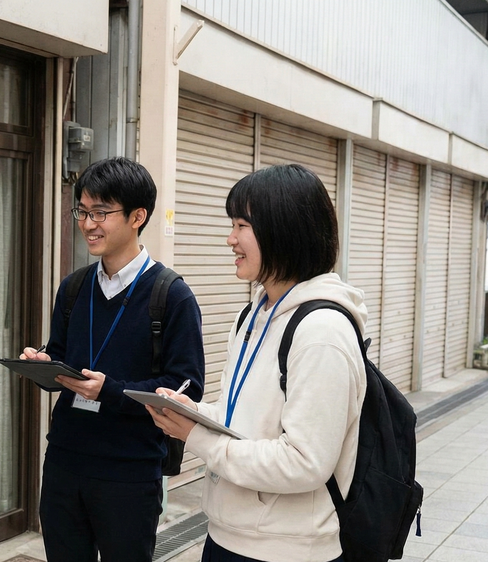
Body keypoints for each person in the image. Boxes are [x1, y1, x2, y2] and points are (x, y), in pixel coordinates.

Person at [148, 163, 367, 562]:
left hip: (288, 551)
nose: (230, 239)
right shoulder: (252, 316)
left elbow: (305, 463)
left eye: (241, 226)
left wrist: (195, 438)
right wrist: (197, 413)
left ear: (283, 230)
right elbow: (245, 420)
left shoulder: (323, 331)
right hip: (227, 535)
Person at [20, 157, 205, 562]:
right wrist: (43, 363)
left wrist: (112, 392)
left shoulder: (171, 295)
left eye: (101, 213)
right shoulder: (73, 288)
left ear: (138, 216)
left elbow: (184, 387)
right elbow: (63, 357)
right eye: (83, 212)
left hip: (130, 470)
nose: (88, 224)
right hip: (65, 462)